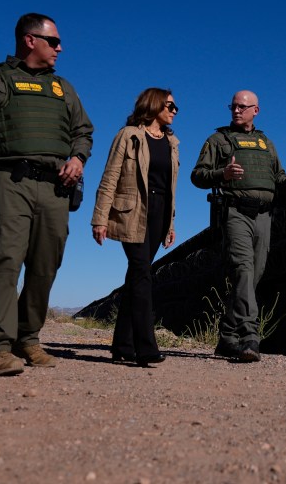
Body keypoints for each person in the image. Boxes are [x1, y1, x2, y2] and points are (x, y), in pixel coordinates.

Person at [0, 13, 94, 376]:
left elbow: (84, 131)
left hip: (56, 188)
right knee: (6, 260)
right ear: (30, 40)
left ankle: (28, 339)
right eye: (54, 41)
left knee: (45, 266)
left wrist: (77, 157)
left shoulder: (63, 88)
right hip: (9, 181)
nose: (61, 48)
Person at [191, 90, 286, 362]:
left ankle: (227, 337)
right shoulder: (218, 140)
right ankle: (249, 336)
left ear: (256, 110)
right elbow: (197, 176)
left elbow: (277, 177)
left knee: (254, 275)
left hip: (264, 215)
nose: (236, 111)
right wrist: (223, 174)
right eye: (233, 106)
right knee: (242, 269)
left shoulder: (266, 143)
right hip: (235, 213)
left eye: (242, 107)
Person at [91, 88, 179, 367]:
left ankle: (122, 345)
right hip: (133, 212)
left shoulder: (172, 142)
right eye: (170, 106)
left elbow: (171, 188)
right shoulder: (128, 135)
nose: (174, 111)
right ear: (154, 105)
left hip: (160, 213)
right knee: (142, 273)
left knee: (136, 277)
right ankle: (146, 347)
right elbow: (110, 177)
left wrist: (171, 224)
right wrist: (100, 218)